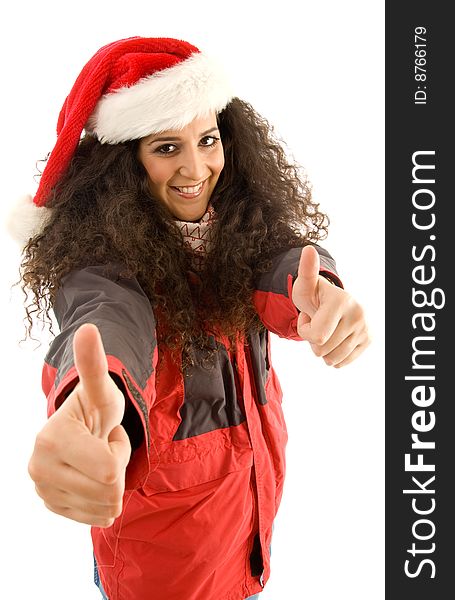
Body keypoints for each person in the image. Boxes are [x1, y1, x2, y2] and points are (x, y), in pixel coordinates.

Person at [12, 36, 370, 600]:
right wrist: (91, 392)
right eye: (165, 148)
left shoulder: (236, 226)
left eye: (207, 140)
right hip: (165, 572)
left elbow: (276, 265)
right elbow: (107, 320)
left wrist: (320, 293)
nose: (196, 167)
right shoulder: (103, 263)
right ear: (124, 164)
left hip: (246, 540)